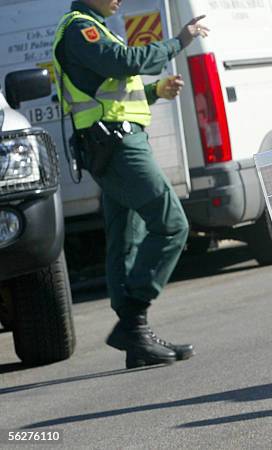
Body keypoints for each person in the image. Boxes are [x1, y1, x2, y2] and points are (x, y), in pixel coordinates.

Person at [52, 0, 210, 369]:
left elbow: (109, 88)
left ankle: (135, 336)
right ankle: (133, 320)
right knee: (172, 225)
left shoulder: (92, 26)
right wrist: (178, 41)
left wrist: (155, 92)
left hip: (114, 144)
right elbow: (122, 63)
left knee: (125, 238)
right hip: (118, 147)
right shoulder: (80, 28)